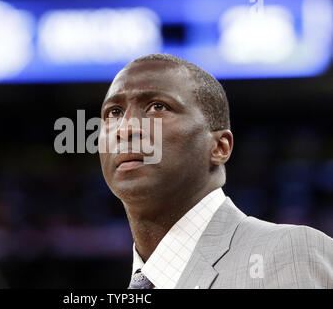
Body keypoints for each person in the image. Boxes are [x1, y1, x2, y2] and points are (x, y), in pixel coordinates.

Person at [98, 53, 333, 289]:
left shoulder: (288, 252)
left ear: (219, 147)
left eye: (157, 106)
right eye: (113, 113)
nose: (125, 128)